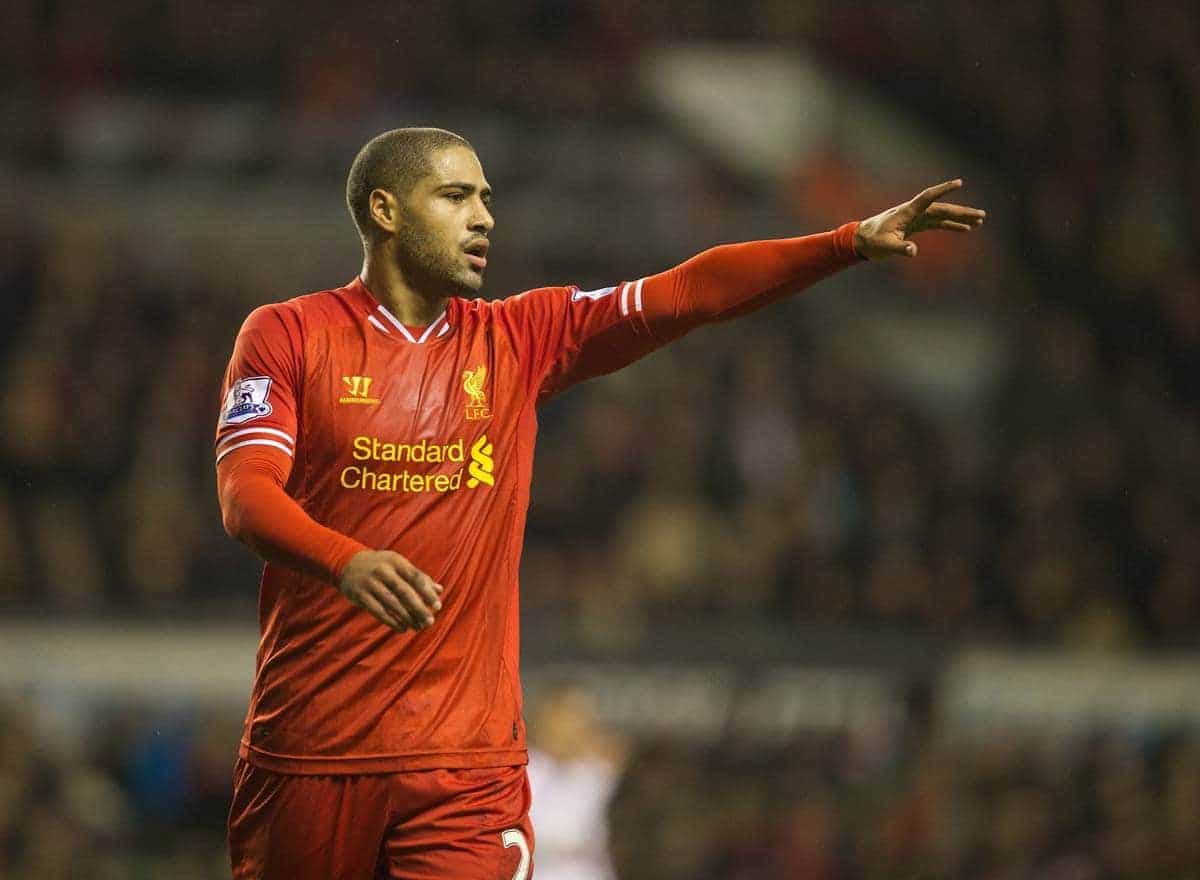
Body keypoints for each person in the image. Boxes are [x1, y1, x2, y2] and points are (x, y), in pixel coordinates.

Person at [215, 126, 985, 879]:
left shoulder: (522, 336)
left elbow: (692, 290)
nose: (485, 217)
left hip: (465, 768)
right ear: (384, 211)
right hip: (308, 749)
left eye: (486, 198)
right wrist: (344, 561)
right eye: (455, 196)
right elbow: (246, 496)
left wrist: (845, 241)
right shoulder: (288, 335)